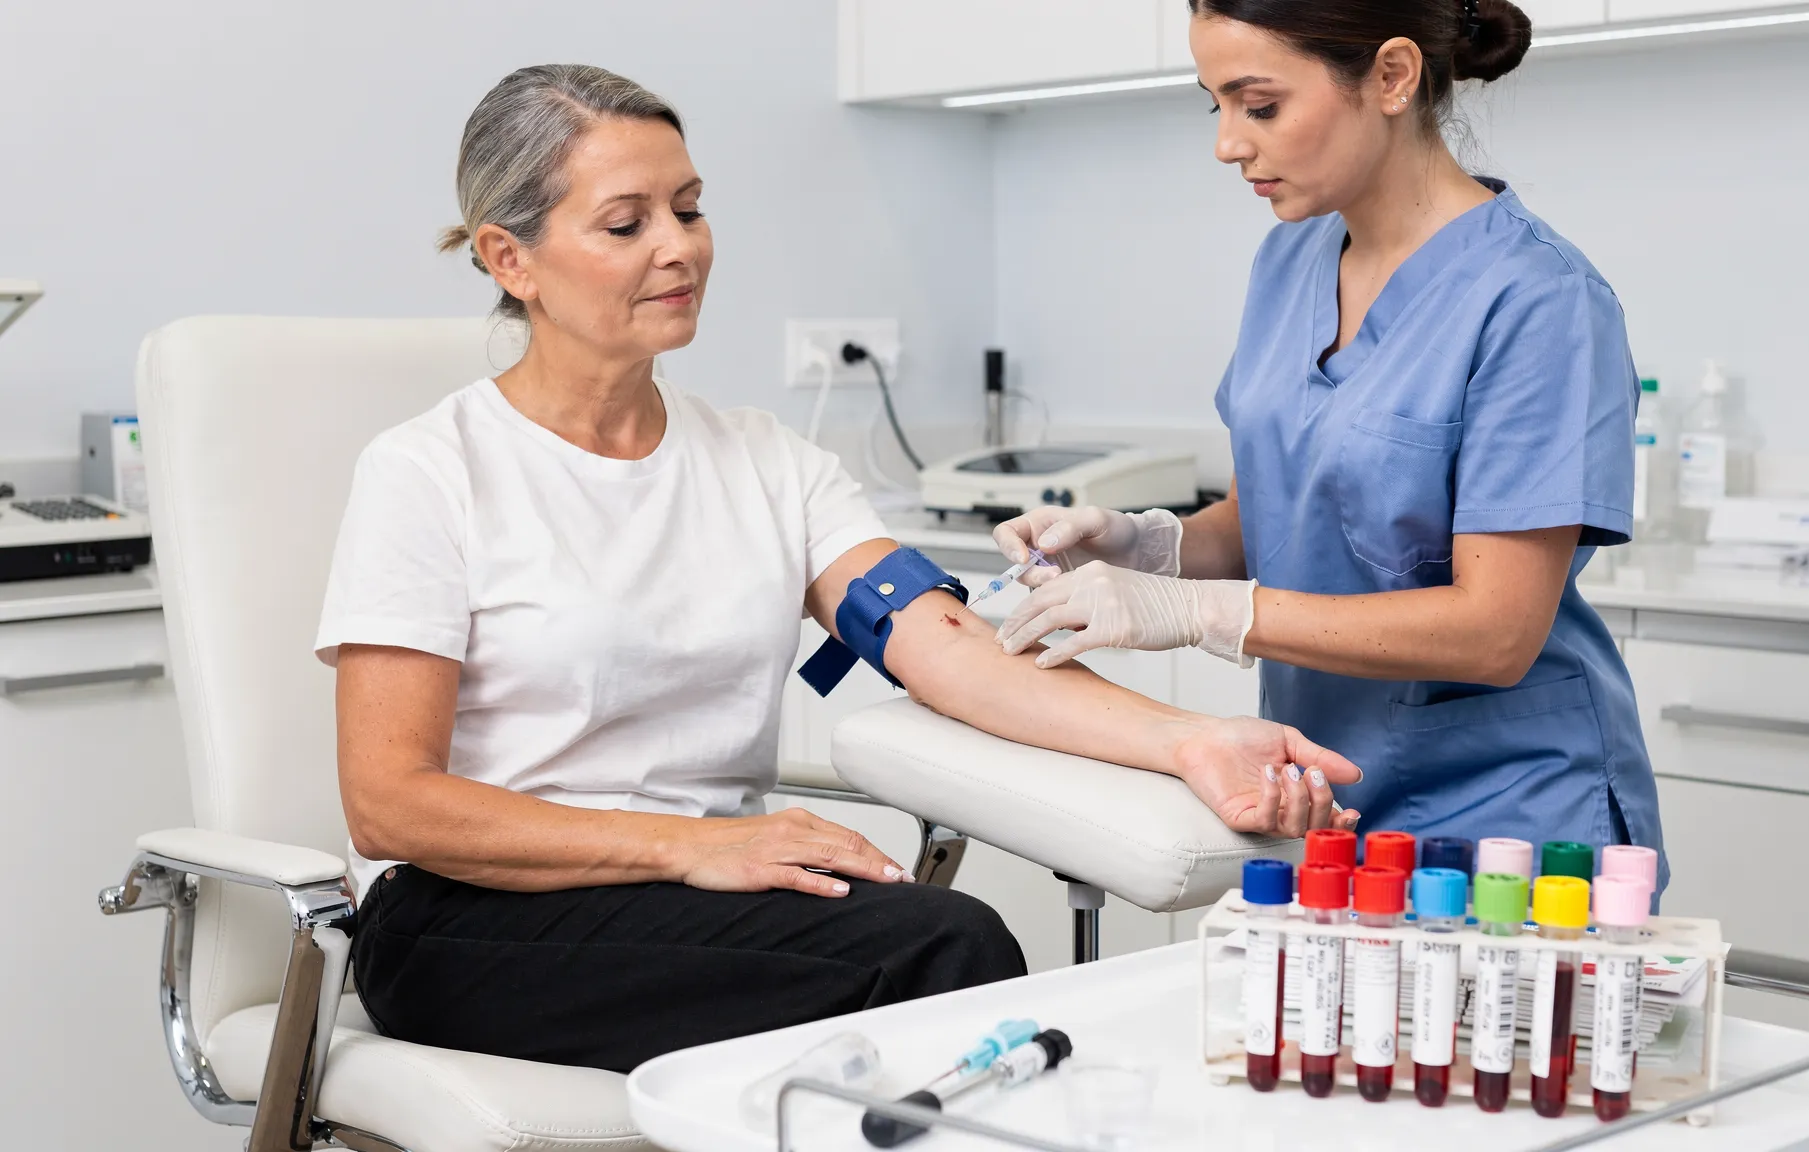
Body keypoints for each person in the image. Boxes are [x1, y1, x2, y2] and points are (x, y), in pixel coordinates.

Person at [320, 64, 1362, 1075]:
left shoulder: (766, 463)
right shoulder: (430, 472)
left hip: (700, 893)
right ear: (511, 258)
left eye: (688, 208)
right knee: (939, 948)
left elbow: (948, 652)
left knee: (937, 947)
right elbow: (392, 805)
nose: (679, 247)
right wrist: (680, 848)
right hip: (468, 920)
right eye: (626, 222)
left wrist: (1190, 742)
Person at [993, 0, 1665, 890]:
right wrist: (1148, 544)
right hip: (1328, 797)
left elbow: (1497, 630)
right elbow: (1278, 513)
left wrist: (1200, 614)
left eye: (1259, 104)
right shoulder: (1289, 261)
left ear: (1391, 76)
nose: (1229, 144)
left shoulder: (1538, 301)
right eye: (1216, 106)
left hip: (1511, 819)